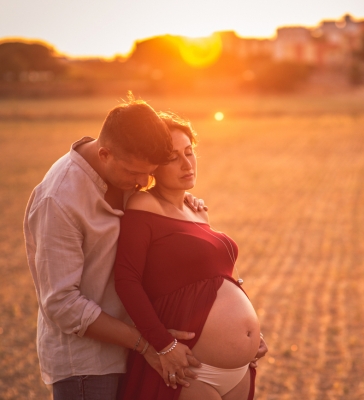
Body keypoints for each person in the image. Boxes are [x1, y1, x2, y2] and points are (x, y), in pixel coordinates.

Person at [23, 97, 204, 400]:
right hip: (89, 367)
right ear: (104, 154)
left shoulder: (124, 173)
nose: (142, 182)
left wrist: (181, 206)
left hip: (135, 352)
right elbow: (62, 304)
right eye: (135, 173)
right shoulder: (59, 199)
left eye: (149, 172)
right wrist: (148, 344)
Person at [114, 112, 268, 400]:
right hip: (190, 368)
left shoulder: (197, 211)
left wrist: (250, 333)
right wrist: (163, 345)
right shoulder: (144, 203)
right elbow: (126, 280)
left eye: (190, 152)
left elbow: (218, 278)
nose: (187, 164)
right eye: (173, 157)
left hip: (239, 371)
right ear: (153, 166)